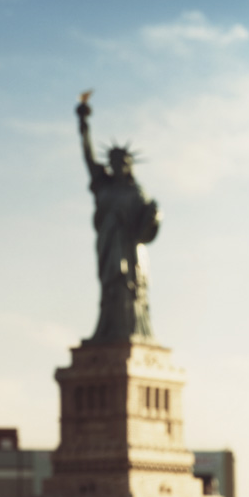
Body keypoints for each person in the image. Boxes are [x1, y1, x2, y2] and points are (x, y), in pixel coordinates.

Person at [76, 94, 160, 342]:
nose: (118, 165)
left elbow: (148, 224)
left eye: (123, 162)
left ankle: (135, 331)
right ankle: (109, 331)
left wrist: (155, 214)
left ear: (130, 164)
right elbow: (88, 156)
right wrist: (83, 125)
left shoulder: (137, 192)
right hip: (108, 244)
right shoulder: (103, 185)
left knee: (131, 288)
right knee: (110, 287)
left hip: (132, 249)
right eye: (114, 162)